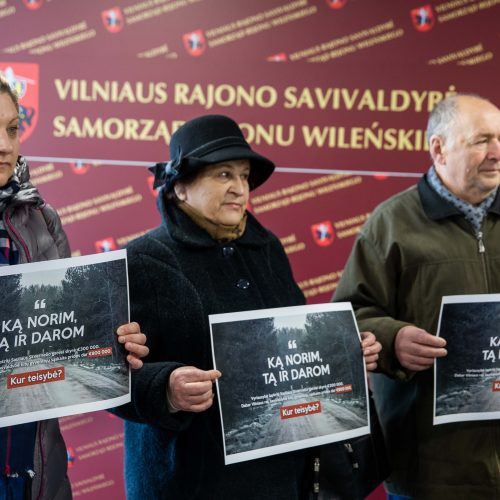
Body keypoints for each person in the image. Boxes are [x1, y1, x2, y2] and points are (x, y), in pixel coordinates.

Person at [115, 114, 381, 499]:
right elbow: (108, 374)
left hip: (282, 477)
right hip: (191, 481)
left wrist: (344, 352)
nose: (240, 188)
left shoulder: (267, 247)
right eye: (224, 175)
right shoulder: (142, 259)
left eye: (243, 176)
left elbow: (295, 341)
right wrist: (166, 389)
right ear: (180, 187)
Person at [334, 94, 500, 499]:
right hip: (433, 466)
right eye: (481, 140)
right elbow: (350, 316)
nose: (496, 152)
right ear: (438, 149)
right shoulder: (389, 225)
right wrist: (393, 339)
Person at [0, 77, 149, 499]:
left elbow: (62, 335)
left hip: (34, 466)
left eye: (12, 129)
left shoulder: (41, 218)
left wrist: (109, 346)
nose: (6, 147)